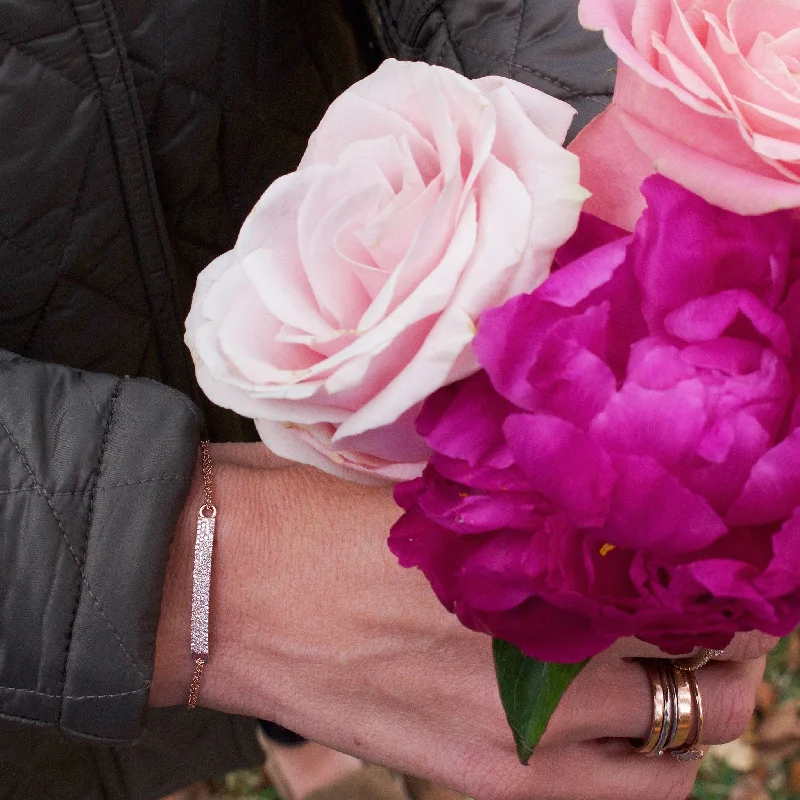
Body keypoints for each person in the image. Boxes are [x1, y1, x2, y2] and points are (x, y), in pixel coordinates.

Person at [0, 1, 775, 799]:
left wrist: (607, 201)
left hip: (306, 171)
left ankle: (293, 724)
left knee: (348, 533)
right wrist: (192, 590)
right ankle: (294, 724)